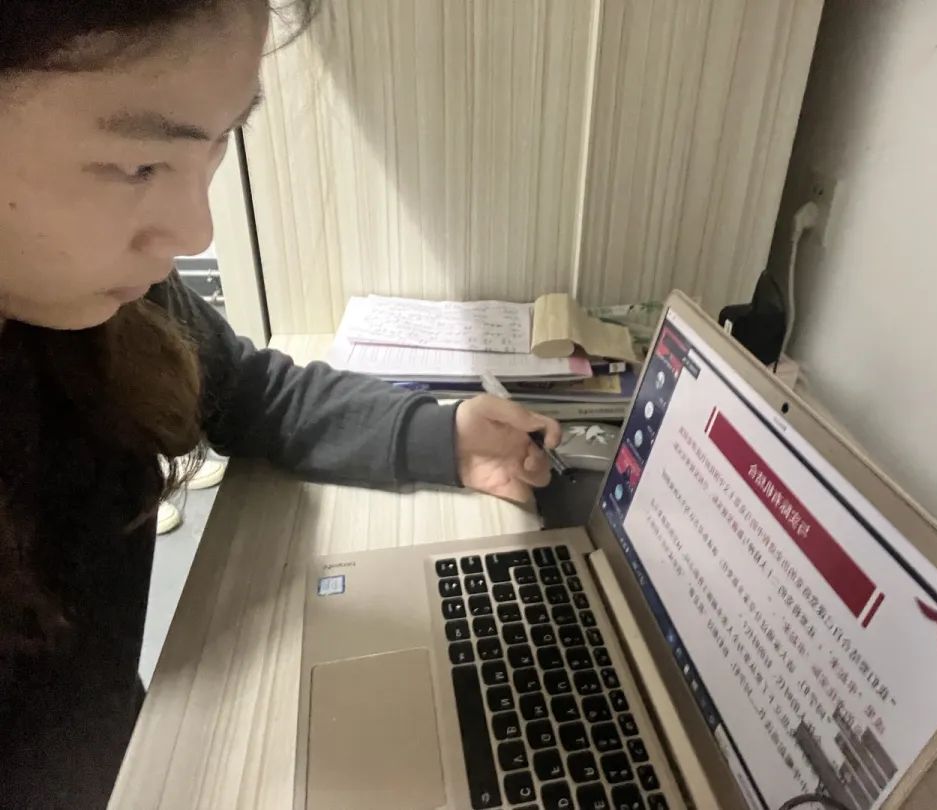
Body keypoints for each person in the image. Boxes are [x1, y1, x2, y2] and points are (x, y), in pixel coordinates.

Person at [0, 1, 561, 805]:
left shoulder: (102, 307)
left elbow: (248, 390)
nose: (195, 233)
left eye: (219, 143)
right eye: (138, 166)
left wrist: (441, 436)